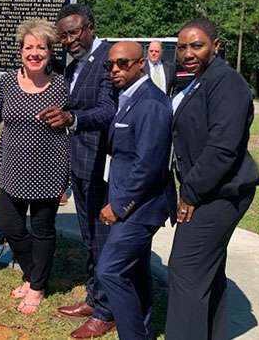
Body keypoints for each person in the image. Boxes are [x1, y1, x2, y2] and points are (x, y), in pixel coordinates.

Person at [166, 18, 259, 340]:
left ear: (216, 46)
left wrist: (190, 193)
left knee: (185, 271)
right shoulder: (200, 81)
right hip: (208, 190)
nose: (188, 53)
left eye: (197, 45)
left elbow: (222, 148)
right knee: (206, 272)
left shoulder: (227, 83)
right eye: (182, 47)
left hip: (220, 193)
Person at [0, 19, 69, 315]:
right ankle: (32, 272)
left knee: (42, 230)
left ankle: (37, 286)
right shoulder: (8, 80)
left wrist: (70, 180)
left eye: (41, 47)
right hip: (12, 169)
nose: (34, 53)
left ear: (51, 52)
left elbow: (74, 126)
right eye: (29, 47)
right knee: (12, 227)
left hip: (48, 170)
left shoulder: (62, 84)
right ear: (20, 51)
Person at [39, 4, 117, 338]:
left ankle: (107, 311)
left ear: (90, 28)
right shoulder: (75, 65)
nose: (68, 40)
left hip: (101, 164)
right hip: (80, 163)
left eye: (74, 32)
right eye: (63, 35)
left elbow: (108, 109)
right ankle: (93, 297)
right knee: (89, 236)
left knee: (102, 238)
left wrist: (73, 119)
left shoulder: (107, 59)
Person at [96, 41, 175, 340]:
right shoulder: (127, 97)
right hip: (129, 200)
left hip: (140, 207)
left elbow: (149, 165)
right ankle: (143, 329)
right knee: (137, 270)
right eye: (110, 65)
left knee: (110, 271)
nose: (115, 69)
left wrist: (118, 205)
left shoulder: (151, 103)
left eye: (123, 63)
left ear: (141, 63)